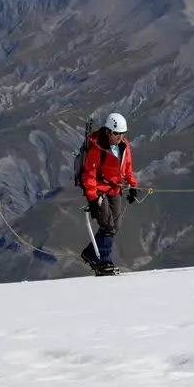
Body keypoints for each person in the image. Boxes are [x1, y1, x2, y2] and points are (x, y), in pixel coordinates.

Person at [78, 112, 139, 276]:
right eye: (117, 133)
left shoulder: (124, 146)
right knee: (108, 226)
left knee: (115, 225)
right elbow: (88, 175)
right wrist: (92, 198)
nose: (120, 137)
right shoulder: (96, 149)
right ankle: (104, 260)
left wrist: (133, 186)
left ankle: (91, 253)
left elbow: (127, 168)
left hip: (115, 189)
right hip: (99, 191)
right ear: (108, 131)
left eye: (122, 134)